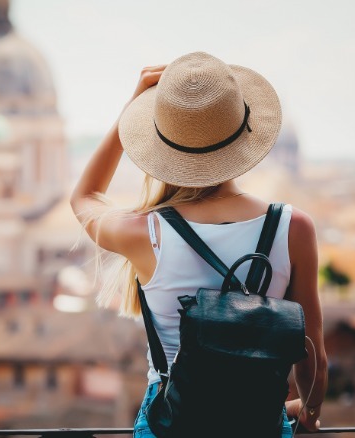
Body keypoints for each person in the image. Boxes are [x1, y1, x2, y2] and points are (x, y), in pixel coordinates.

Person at [70, 52, 327, 437]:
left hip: (172, 422)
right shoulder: (294, 227)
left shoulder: (146, 232)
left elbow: (85, 197)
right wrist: (309, 414)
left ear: (161, 144)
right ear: (244, 133)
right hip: (257, 422)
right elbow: (311, 356)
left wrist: (130, 110)